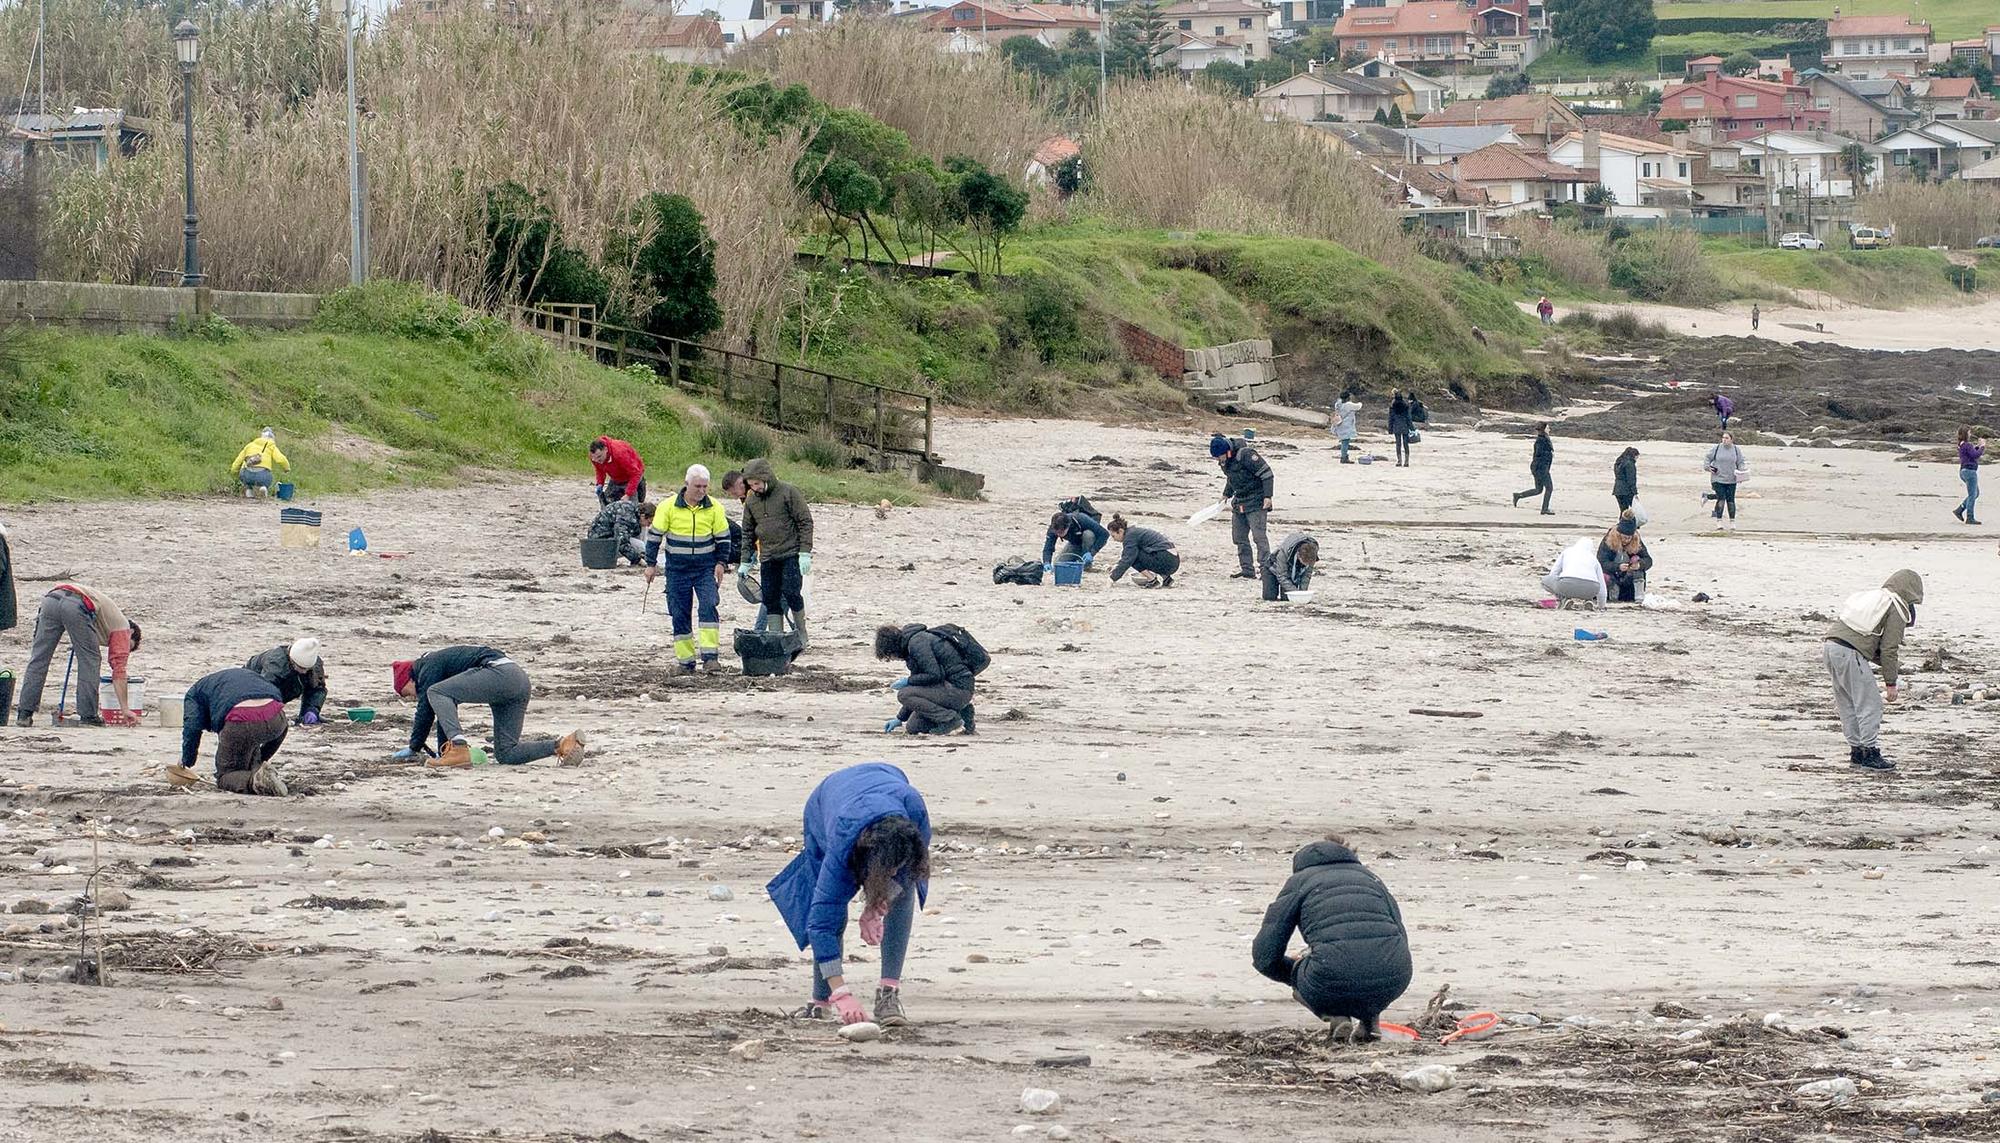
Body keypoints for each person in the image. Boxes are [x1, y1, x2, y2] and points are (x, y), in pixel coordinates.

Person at [766, 763, 931, 1027]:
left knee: (905, 890)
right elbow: (820, 924)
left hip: (888, 781)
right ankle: (822, 999)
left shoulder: (914, 813)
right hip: (826, 803)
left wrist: (878, 903)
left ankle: (889, 994)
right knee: (831, 909)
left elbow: (909, 871)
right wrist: (842, 993)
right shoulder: (840, 848)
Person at [1252, 834, 1412, 1043]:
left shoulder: (1300, 881)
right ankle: (1370, 1023)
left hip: (1330, 974)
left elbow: (1265, 956)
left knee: (1321, 970)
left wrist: (1292, 971)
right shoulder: (1371, 878)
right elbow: (1399, 934)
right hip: (1396, 974)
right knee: (1371, 962)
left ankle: (1335, 1015)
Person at [391, 646, 585, 768]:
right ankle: (562, 745)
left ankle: (458, 748)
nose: (414, 697)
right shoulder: (438, 670)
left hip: (499, 672)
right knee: (506, 753)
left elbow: (426, 708)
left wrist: (414, 747)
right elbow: (444, 713)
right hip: (518, 680)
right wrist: (443, 755)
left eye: (408, 693)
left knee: (435, 693)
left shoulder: (427, 665)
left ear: (408, 678)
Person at [1824, 570, 1923, 772]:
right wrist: (1891, 684)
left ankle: (1857, 752)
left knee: (1848, 703)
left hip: (1830, 647)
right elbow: (1889, 649)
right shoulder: (1897, 606)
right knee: (1870, 705)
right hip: (1850, 653)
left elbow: (1866, 639)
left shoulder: (1875, 598)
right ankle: (1869, 753)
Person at [644, 465, 733, 673]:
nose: (701, 491)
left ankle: (711, 658)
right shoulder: (667, 507)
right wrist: (650, 564)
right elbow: (654, 538)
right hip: (677, 570)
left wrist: (721, 563)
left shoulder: (715, 508)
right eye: (697, 486)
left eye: (705, 487)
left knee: (709, 606)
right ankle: (686, 662)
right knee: (679, 613)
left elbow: (723, 539)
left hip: (705, 569)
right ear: (686, 485)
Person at [13, 583, 140, 727]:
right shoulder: (123, 627)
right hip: (77, 603)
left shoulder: (105, 620)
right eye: (128, 646)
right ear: (131, 634)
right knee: (91, 660)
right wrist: (125, 709)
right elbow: (119, 670)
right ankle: (89, 716)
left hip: (51, 599)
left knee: (39, 658)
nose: (123, 650)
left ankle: (24, 714)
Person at [177, 667, 290, 795]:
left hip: (241, 722)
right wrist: (262, 758)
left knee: (226, 775)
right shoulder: (243, 675)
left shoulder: (194, 694)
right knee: (253, 738)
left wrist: (187, 759)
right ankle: (258, 769)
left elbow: (192, 727)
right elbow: (275, 693)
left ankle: (256, 780)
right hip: (278, 719)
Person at [739, 458, 814, 646]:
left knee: (791, 592)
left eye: (757, 483)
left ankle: (801, 633)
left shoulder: (788, 492)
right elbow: (747, 532)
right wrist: (745, 561)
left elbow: (805, 522)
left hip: (790, 553)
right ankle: (776, 637)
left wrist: (805, 552)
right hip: (767, 556)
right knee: (770, 598)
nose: (754, 488)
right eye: (751, 485)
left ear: (766, 478)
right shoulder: (751, 501)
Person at [875, 623, 976, 736]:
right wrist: (900, 719)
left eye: (890, 656)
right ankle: (963, 713)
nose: (894, 659)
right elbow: (918, 689)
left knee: (904, 694)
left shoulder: (918, 643)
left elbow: (934, 675)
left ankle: (950, 719)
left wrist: (908, 681)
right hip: (950, 689)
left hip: (958, 689)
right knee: (913, 727)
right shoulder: (911, 646)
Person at [1211, 433, 1274, 579]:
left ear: (1227, 451)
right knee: (1239, 537)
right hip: (1239, 502)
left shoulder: (1246, 455)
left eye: (1219, 457)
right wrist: (1226, 494)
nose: (1218, 460)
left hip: (1257, 501)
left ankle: (1266, 570)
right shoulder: (1225, 461)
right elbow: (1231, 479)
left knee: (1259, 537)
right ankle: (1247, 570)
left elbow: (1267, 474)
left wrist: (1268, 497)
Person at [244, 638, 328, 726]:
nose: (304, 672)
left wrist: (312, 710)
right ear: (292, 660)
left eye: (307, 669)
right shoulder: (275, 665)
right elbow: (264, 693)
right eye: (301, 667)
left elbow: (317, 689)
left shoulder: (315, 665)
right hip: (250, 687)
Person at [1106, 514, 1178, 588]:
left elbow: (1127, 559)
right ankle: (1166, 578)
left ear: (1120, 531)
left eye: (1113, 536)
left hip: (1167, 560)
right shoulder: (1133, 532)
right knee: (1134, 554)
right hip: (1173, 560)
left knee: (1133, 557)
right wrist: (1117, 566)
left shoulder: (1130, 536)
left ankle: (1152, 580)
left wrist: (1112, 578)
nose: (1114, 539)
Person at [1596, 513, 1652, 603]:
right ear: (1618, 534)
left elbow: (1648, 560)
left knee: (1636, 559)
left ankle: (1639, 597)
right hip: (1612, 580)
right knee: (1604, 576)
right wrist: (1618, 567)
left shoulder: (1636, 541)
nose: (1626, 540)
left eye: (1629, 538)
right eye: (1624, 537)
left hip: (1629, 583)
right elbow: (1601, 563)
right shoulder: (1609, 540)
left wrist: (1639, 565)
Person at [1541, 537, 1607, 608]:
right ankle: (1588, 601)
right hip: (1591, 589)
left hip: (1567, 584)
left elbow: (1554, 573)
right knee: (1587, 586)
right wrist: (1601, 606)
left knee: (1545, 581)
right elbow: (1602, 588)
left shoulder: (1568, 551)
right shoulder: (1594, 559)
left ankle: (1564, 599)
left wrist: (1557, 589)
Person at [587, 497, 652, 566]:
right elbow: (621, 542)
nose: (648, 525)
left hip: (597, 540)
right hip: (599, 545)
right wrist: (638, 560)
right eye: (649, 522)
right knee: (640, 546)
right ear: (643, 516)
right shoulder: (627, 516)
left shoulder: (630, 508)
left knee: (638, 544)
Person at [1042, 507, 1109, 572]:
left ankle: (1086, 564)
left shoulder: (1081, 518)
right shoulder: (1053, 528)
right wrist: (1046, 562)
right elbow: (1048, 547)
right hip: (1075, 543)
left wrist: (1092, 552)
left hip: (1089, 541)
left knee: (1088, 534)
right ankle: (1077, 560)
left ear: (1068, 526)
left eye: (1061, 532)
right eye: (1056, 533)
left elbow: (1104, 534)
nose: (1058, 535)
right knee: (1058, 564)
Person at [230, 428, 290, 499]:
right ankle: (264, 487)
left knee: (245, 473)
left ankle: (249, 491)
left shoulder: (250, 445)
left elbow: (238, 461)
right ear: (272, 438)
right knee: (269, 476)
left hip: (247, 474)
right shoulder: (271, 446)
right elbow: (280, 459)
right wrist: (287, 468)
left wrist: (233, 472)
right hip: (262, 475)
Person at [588, 436, 647, 506]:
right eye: (595, 459)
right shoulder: (594, 457)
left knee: (631, 506)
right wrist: (600, 483)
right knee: (607, 502)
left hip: (634, 473)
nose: (597, 461)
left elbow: (635, 474)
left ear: (605, 449)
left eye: (599, 457)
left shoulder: (620, 453)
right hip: (616, 477)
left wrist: (628, 494)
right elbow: (599, 470)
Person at [1512, 422, 1555, 514]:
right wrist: (1546, 463)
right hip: (1541, 468)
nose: (1549, 429)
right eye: (1548, 428)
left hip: (1538, 467)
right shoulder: (1541, 440)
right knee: (1549, 488)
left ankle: (1518, 495)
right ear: (1544, 429)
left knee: (1538, 490)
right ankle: (1544, 509)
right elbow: (1539, 455)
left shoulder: (1543, 439)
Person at [1705, 432, 1746, 524]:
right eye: (1723, 438)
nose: (1724, 440)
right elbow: (1708, 458)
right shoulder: (1717, 448)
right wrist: (1707, 467)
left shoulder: (1736, 449)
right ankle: (1719, 521)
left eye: (1727, 438)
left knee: (1730, 500)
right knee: (1721, 499)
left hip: (1731, 479)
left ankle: (1732, 521)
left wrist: (1741, 472)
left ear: (1731, 439)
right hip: (1717, 478)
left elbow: (1740, 462)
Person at [1265, 533, 1319, 601]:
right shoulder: (1282, 555)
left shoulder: (1312, 553)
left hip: (1292, 571)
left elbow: (1307, 575)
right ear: (1298, 555)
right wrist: (1296, 592)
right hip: (1273, 567)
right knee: (1269, 597)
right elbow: (1281, 576)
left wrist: (1302, 592)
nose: (1306, 566)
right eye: (1304, 563)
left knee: (1287, 599)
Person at [1955, 426, 1984, 526]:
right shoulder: (1967, 445)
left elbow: (1970, 453)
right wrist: (1982, 447)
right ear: (1965, 434)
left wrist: (1977, 447)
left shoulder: (1962, 444)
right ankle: (1970, 517)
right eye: (1969, 432)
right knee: (1972, 495)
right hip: (1970, 472)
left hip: (1963, 471)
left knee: (1976, 493)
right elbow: (1975, 455)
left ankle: (1960, 509)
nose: (1970, 434)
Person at [1333, 392, 1362, 464]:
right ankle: (1344, 457)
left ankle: (1344, 456)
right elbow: (1358, 406)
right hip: (1346, 425)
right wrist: (1360, 402)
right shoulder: (1348, 405)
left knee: (1344, 441)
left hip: (1339, 424)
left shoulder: (1338, 405)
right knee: (1345, 442)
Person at [1387, 393, 1413, 467]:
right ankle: (1406, 461)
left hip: (1396, 427)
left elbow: (1390, 419)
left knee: (1398, 444)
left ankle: (1399, 461)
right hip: (1405, 426)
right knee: (1406, 444)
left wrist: (1390, 428)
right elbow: (1409, 418)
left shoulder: (1392, 407)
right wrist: (1411, 427)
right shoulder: (1406, 406)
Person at [1612, 447, 1639, 514]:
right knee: (1632, 511)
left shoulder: (1618, 463)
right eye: (1637, 457)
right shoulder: (1629, 464)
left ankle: (1622, 523)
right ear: (1634, 455)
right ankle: (1628, 523)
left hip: (1617, 489)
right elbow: (1631, 480)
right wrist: (1635, 492)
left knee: (1623, 510)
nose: (1637, 459)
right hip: (1626, 491)